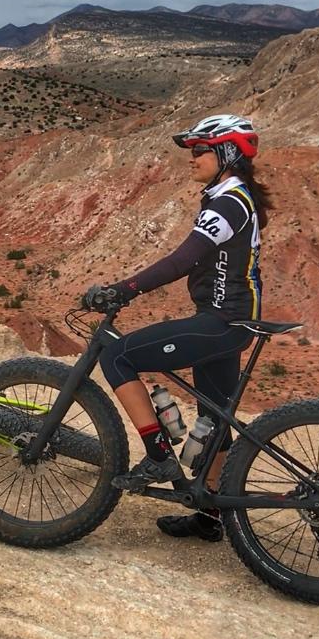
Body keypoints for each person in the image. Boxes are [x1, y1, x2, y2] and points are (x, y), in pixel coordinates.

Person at [81, 114, 272, 542]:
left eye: (200, 150)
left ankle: (159, 458)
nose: (192, 158)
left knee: (117, 355)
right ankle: (210, 517)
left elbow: (184, 259)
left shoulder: (229, 202)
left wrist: (124, 289)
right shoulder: (233, 196)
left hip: (221, 322)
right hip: (233, 321)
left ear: (225, 154)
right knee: (214, 419)